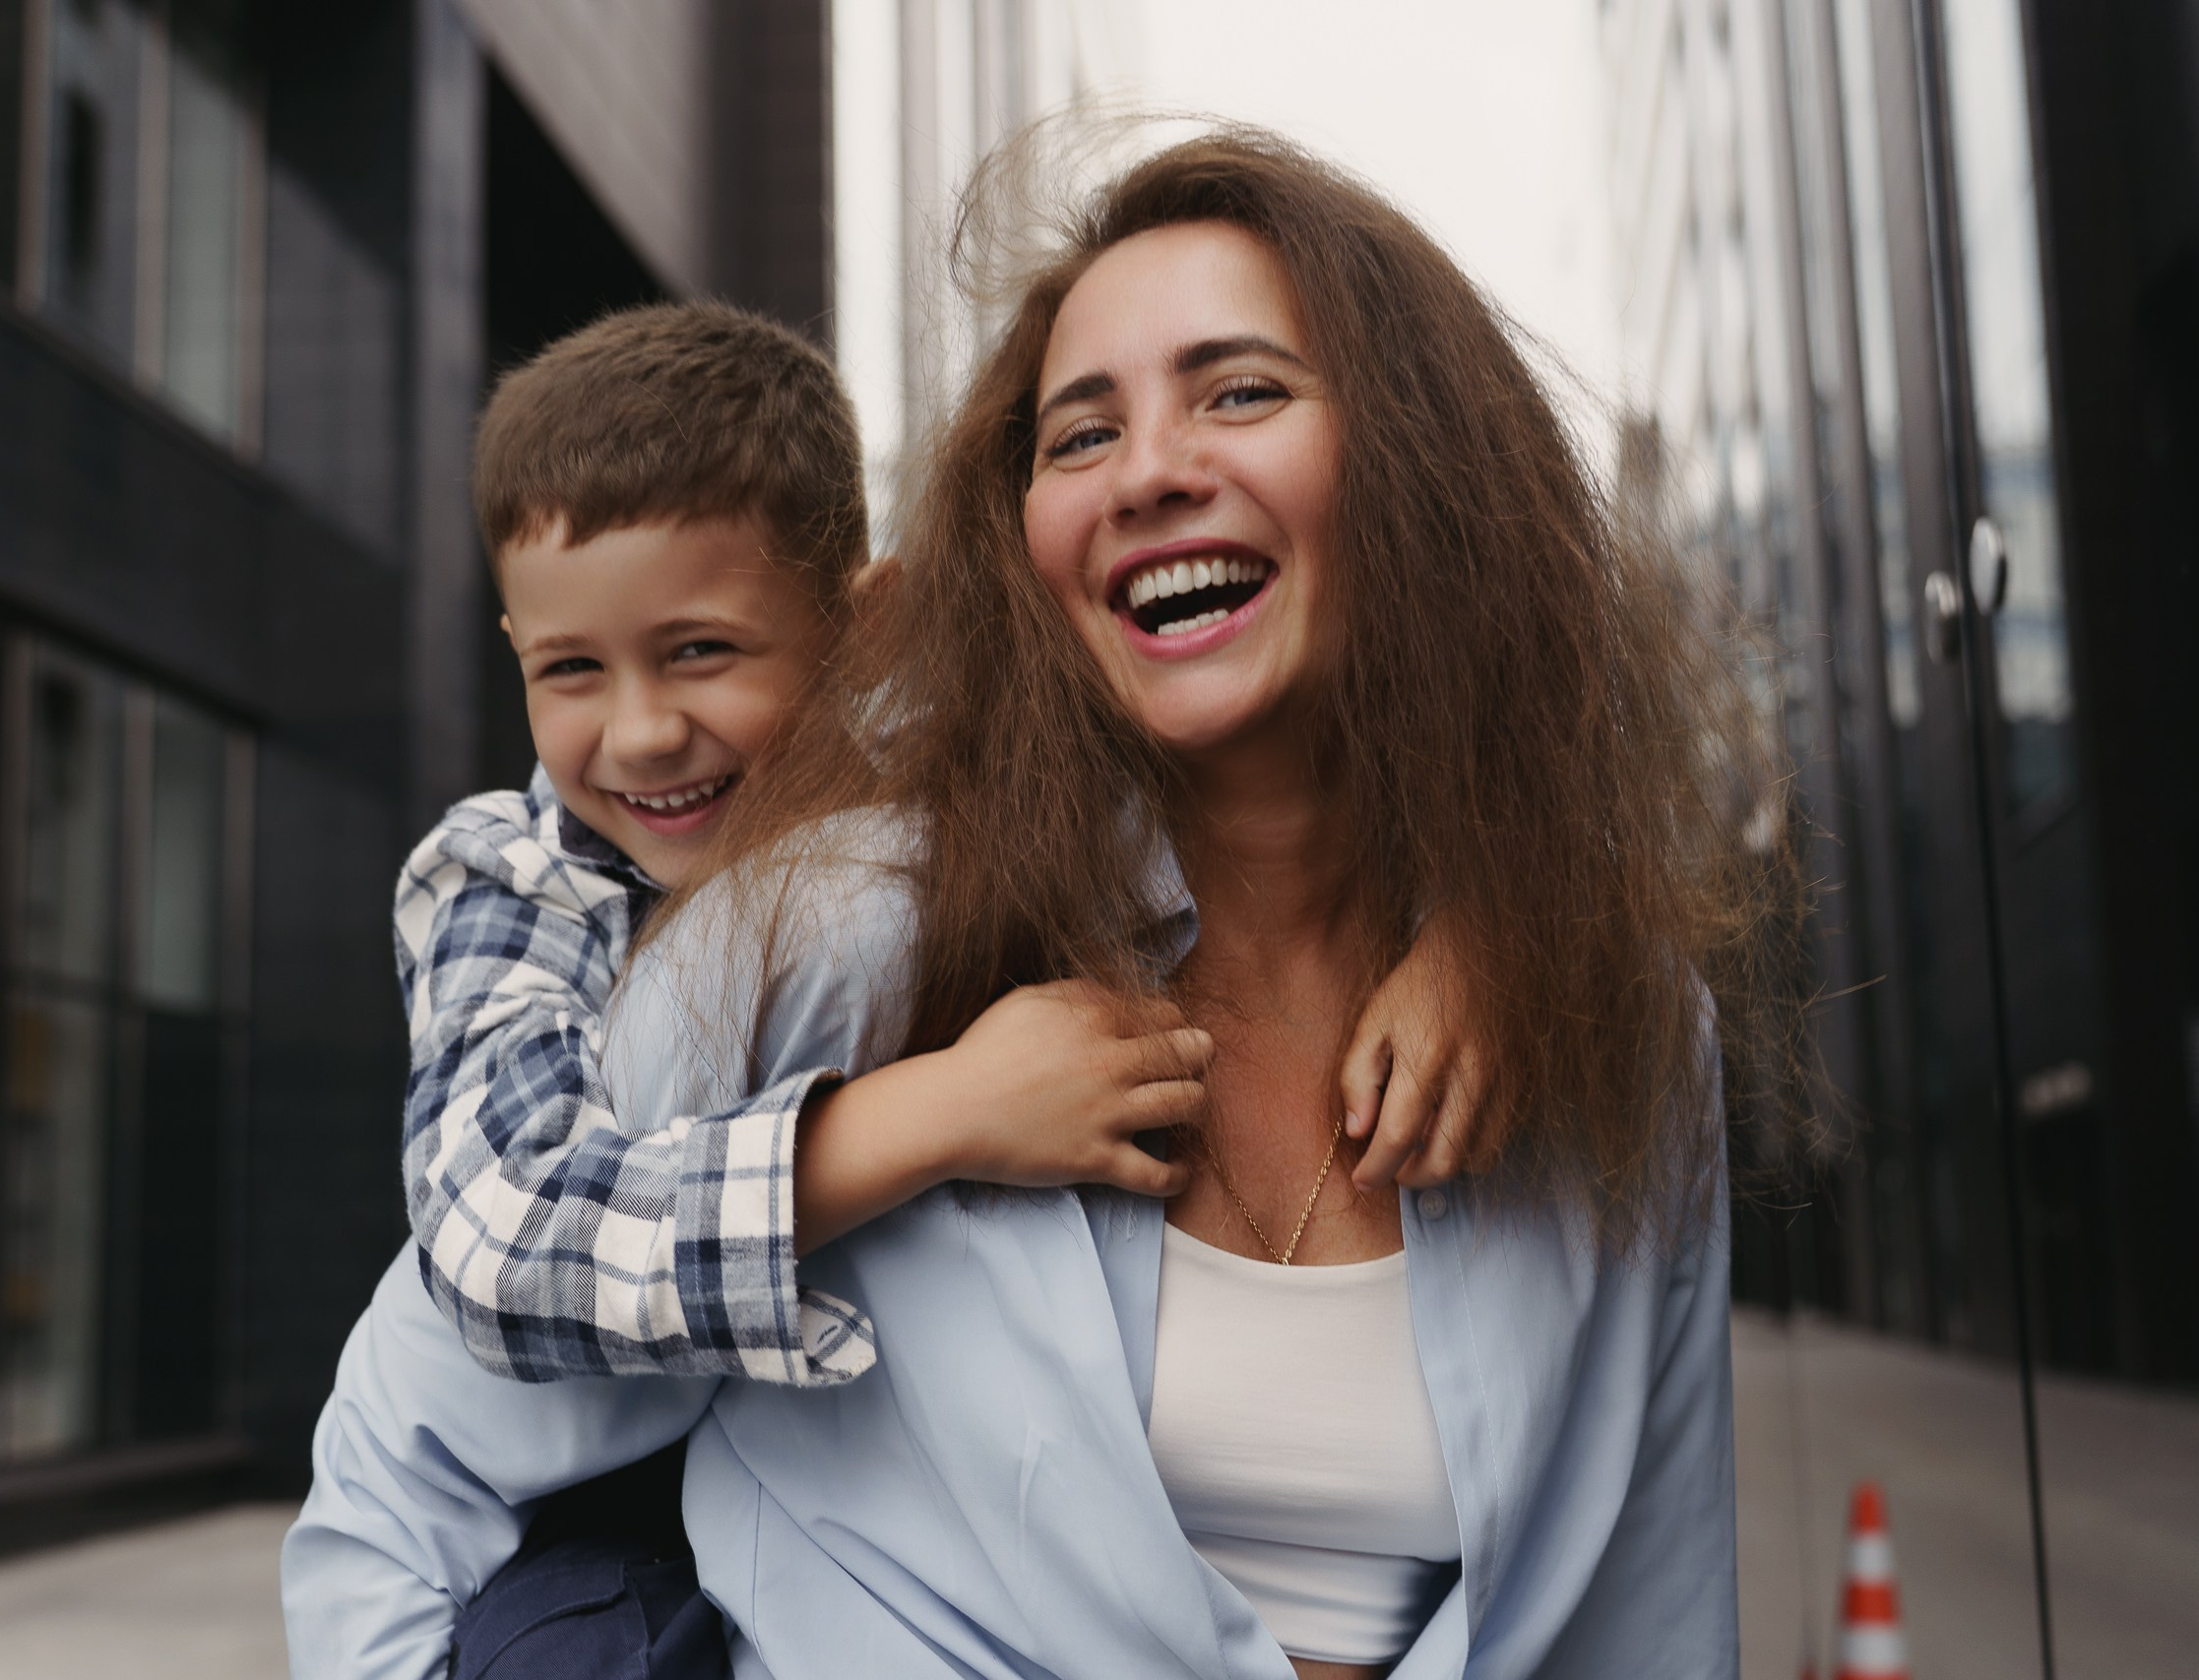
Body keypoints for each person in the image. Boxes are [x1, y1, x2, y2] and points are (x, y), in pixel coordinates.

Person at [294, 295, 1498, 1679]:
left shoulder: (936, 812)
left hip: (762, 1488)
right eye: (572, 669)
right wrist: (942, 1112)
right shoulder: (508, 876)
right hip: (520, 1555)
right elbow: (500, 1247)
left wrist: (1466, 930)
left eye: (700, 651)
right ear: (514, 648)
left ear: (867, 627)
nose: (640, 730)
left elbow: (1255, 814)